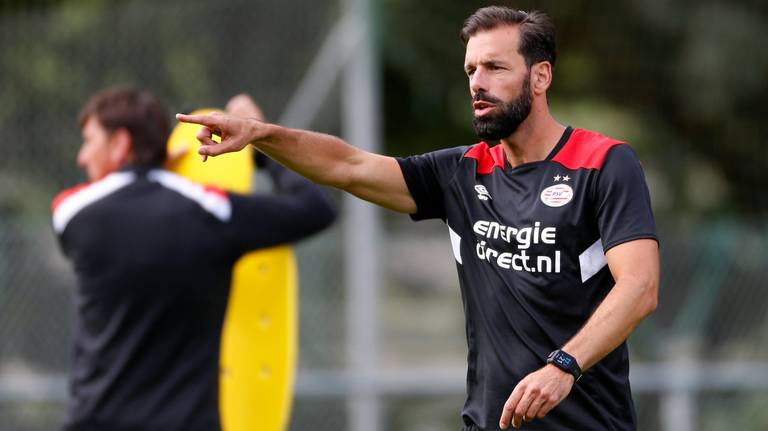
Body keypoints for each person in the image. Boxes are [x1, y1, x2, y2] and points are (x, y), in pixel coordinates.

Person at [178, 6, 659, 431]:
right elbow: (348, 166)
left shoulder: (603, 163)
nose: (477, 82)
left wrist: (563, 366)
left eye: (495, 67)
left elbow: (639, 287)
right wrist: (262, 134)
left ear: (541, 77)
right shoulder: (461, 172)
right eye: (471, 69)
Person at [51, 87, 335, 431]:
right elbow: (314, 209)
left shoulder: (72, 213)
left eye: (89, 141)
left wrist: (159, 169)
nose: (82, 157)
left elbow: (126, 203)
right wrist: (257, 137)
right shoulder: (209, 211)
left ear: (120, 144)